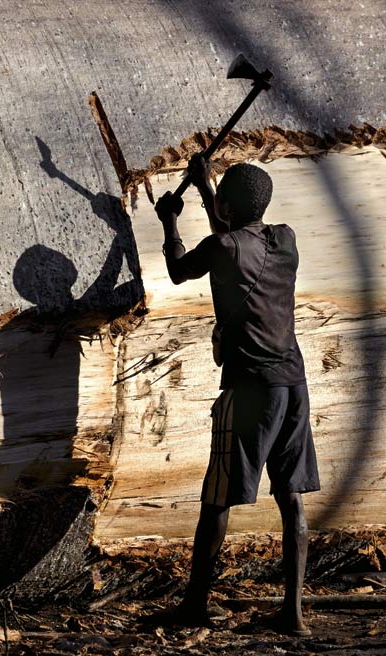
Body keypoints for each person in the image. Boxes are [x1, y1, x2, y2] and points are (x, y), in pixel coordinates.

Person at [152, 156, 319, 636]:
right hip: (293, 385)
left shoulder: (223, 245)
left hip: (249, 390)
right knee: (291, 499)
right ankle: (294, 615)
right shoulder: (284, 239)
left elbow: (183, 270)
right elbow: (235, 239)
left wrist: (169, 221)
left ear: (225, 206)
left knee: (217, 497)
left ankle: (194, 606)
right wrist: (208, 190)